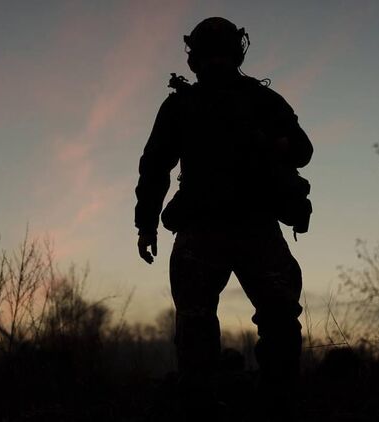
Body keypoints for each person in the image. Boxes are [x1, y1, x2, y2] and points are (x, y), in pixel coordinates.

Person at [133, 17, 313, 420]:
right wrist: (146, 223)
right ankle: (265, 402)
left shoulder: (204, 103)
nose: (213, 62)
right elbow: (155, 167)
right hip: (228, 226)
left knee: (219, 321)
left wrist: (146, 224)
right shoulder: (221, 102)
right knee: (254, 319)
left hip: (231, 225)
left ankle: (246, 403)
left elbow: (154, 168)